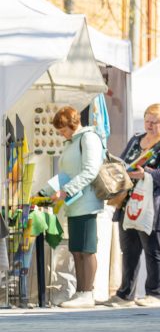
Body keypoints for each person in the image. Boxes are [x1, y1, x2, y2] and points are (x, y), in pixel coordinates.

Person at [107, 103, 160, 308]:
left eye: (155, 123)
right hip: (129, 203)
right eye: (147, 121)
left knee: (154, 251)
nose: (150, 126)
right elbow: (123, 162)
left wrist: (148, 174)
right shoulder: (136, 139)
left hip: (155, 206)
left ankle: (154, 294)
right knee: (129, 250)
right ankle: (125, 294)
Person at [41, 106, 105, 309]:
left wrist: (65, 191)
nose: (61, 134)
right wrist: (43, 191)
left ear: (72, 124)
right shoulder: (72, 142)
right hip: (74, 203)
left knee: (87, 249)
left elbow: (90, 171)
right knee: (76, 249)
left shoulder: (88, 138)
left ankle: (88, 292)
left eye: (63, 129)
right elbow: (66, 173)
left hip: (86, 201)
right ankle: (80, 292)